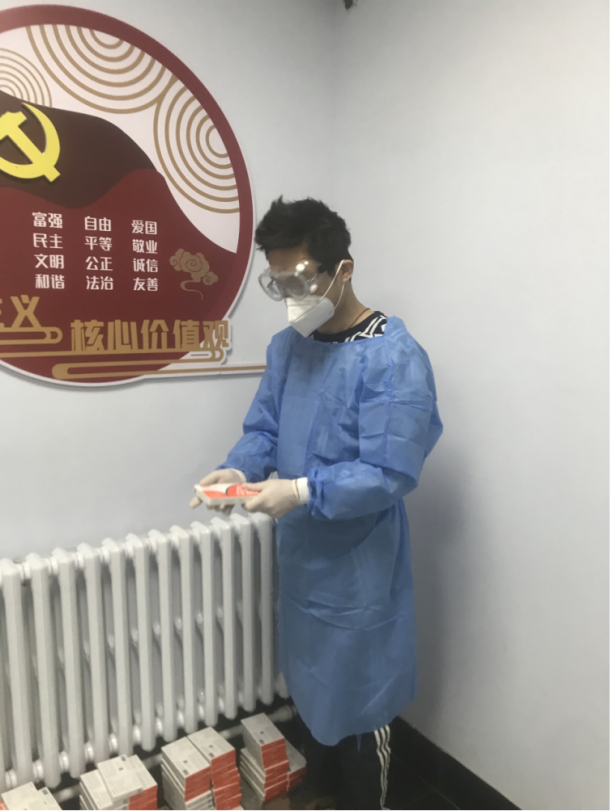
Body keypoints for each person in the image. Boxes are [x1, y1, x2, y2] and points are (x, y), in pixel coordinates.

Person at [196, 197, 443, 810]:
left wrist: (304, 490)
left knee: (360, 707)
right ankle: (321, 793)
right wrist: (240, 468)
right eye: (278, 283)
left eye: (300, 281)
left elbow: (390, 471)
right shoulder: (289, 347)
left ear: (343, 271)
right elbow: (265, 427)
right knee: (311, 690)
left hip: (359, 574)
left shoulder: (392, 357)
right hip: (304, 563)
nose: (290, 297)